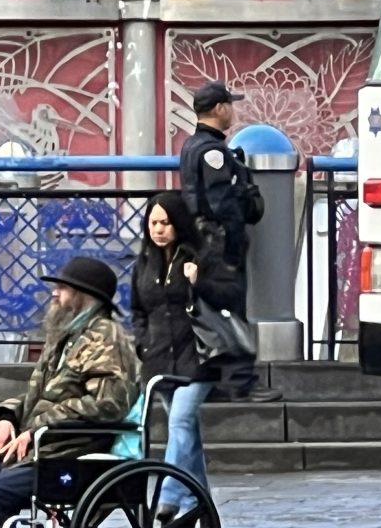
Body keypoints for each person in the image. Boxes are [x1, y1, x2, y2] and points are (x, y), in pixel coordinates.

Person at [0, 256, 140, 528]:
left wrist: (38, 427)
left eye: (62, 288)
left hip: (69, 453)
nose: (54, 293)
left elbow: (108, 403)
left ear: (84, 296)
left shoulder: (107, 338)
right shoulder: (65, 335)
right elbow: (37, 396)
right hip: (35, 451)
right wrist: (6, 417)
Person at [131, 191, 245, 522]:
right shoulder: (144, 262)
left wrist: (199, 282)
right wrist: (143, 343)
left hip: (198, 356)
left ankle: (168, 497)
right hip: (159, 360)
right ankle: (203, 507)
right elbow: (138, 311)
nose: (158, 229)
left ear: (178, 223)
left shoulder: (202, 256)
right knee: (188, 438)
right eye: (153, 222)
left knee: (180, 422)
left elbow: (228, 299)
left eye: (165, 223)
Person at [178, 80, 281, 404]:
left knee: (213, 312)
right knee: (230, 311)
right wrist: (233, 242)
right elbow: (222, 203)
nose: (232, 111)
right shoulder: (213, 152)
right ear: (220, 108)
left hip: (203, 241)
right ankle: (241, 383)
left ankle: (218, 382)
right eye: (230, 105)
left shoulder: (191, 145)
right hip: (219, 244)